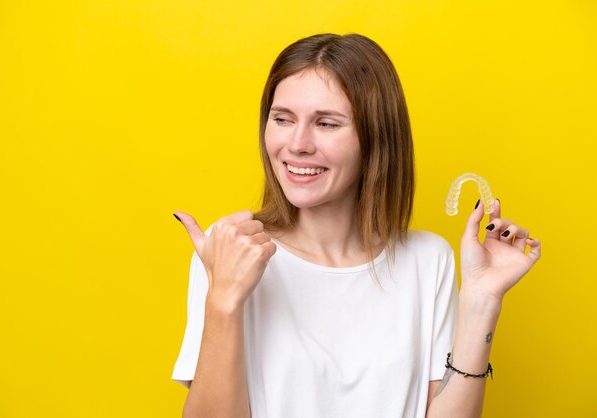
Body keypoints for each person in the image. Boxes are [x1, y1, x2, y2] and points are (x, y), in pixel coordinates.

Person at [171, 33, 541, 418]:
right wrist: (223, 301)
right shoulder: (233, 249)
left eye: (326, 123)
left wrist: (482, 301)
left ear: (375, 137)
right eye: (282, 119)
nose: (297, 144)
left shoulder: (427, 260)